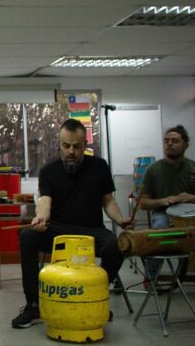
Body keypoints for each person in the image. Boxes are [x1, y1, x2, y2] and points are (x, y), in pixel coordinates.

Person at [11, 119, 134, 329]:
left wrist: (120, 219)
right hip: (58, 232)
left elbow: (108, 200)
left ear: (84, 146)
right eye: (66, 146)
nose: (71, 151)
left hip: (91, 231)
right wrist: (40, 218)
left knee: (116, 245)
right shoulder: (49, 171)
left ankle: (96, 296)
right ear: (59, 144)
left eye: (76, 146)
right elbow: (44, 202)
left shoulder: (99, 166)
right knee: (28, 237)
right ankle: (33, 305)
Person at [139, 125, 195, 280]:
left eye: (175, 141)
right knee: (159, 228)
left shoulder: (193, 167)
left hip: (191, 216)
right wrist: (162, 201)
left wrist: (192, 198)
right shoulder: (153, 170)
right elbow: (143, 203)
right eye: (166, 141)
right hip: (163, 214)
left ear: (186, 145)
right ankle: (151, 277)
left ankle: (183, 272)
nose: (169, 144)